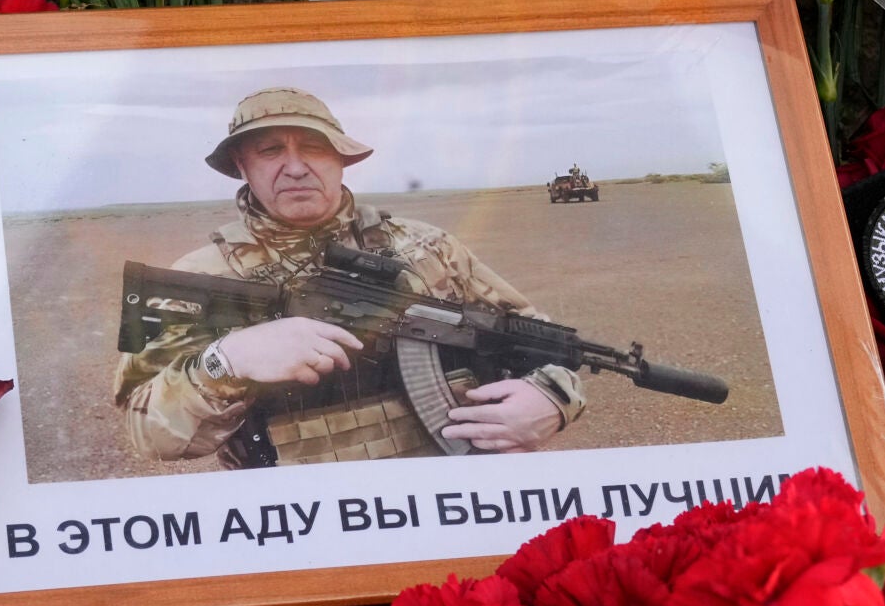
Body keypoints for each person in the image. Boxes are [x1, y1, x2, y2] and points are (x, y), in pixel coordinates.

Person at [112, 87, 585, 468]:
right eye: (270, 150)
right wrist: (228, 360)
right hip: (304, 518)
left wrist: (552, 399)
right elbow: (150, 435)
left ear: (341, 158)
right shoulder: (201, 276)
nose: (295, 167)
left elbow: (538, 339)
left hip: (451, 498)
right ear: (242, 165)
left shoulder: (429, 247)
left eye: (313, 147)